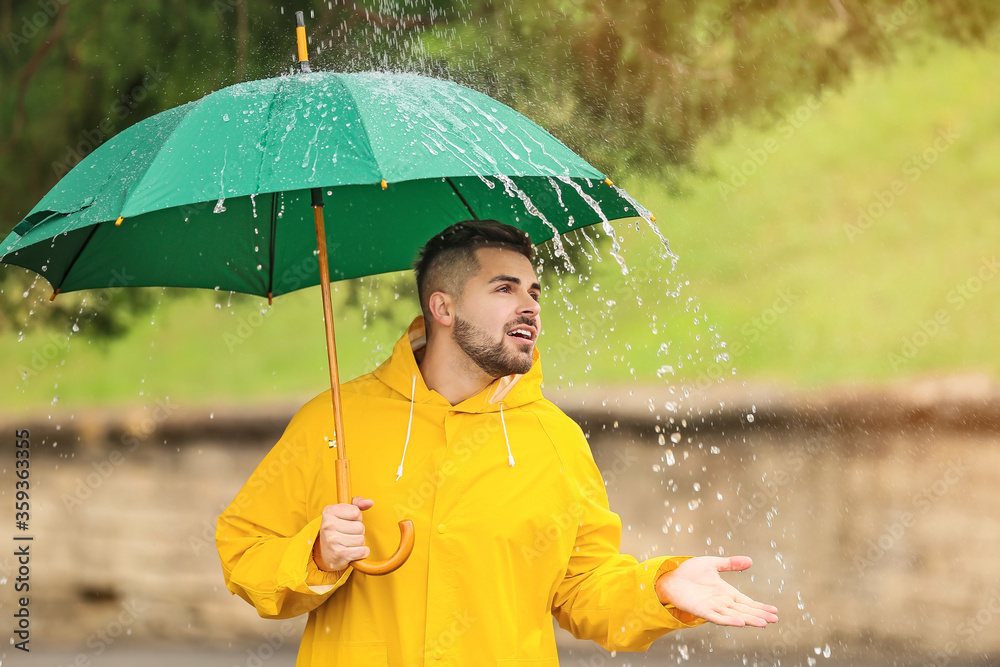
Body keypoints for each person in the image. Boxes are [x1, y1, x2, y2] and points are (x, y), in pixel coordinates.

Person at [216, 220, 778, 666]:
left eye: (534, 290)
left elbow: (582, 589)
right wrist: (316, 555)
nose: (529, 306)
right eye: (504, 289)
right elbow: (244, 553)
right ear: (443, 307)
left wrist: (659, 586)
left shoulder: (554, 438)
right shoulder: (332, 423)